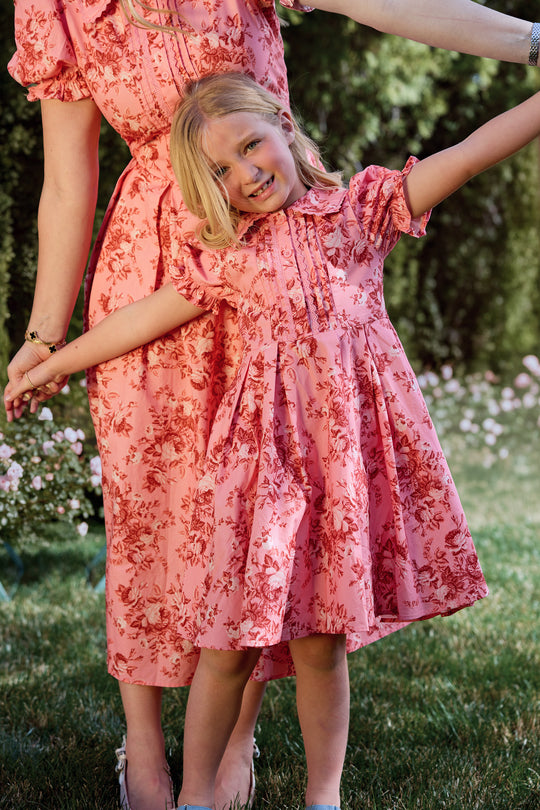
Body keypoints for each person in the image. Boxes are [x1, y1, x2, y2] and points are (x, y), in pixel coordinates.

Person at [5, 1, 540, 809]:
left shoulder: (353, 214)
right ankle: (163, 763)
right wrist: (49, 351)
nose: (246, 170)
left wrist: (534, 61)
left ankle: (268, 765)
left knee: (290, 587)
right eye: (227, 167)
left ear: (282, 131)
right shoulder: (225, 251)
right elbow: (94, 226)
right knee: (170, 536)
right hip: (194, 348)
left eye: (254, 149)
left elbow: (458, 148)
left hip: (301, 396)